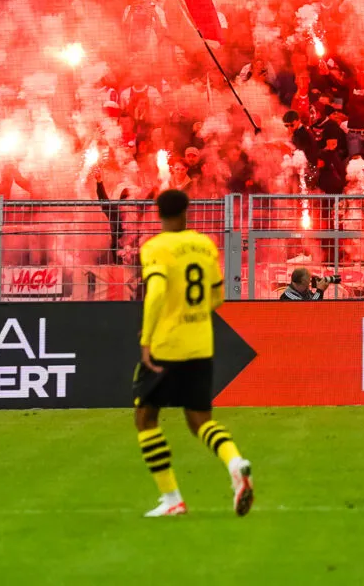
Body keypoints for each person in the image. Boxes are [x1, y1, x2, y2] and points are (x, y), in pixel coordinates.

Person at [133, 189, 254, 518]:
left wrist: (147, 339)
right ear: (187, 211)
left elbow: (156, 291)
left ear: (158, 214)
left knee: (145, 416)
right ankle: (235, 461)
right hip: (201, 343)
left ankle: (172, 499)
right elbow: (217, 298)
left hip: (167, 344)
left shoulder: (155, 247)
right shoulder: (204, 245)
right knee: (200, 419)